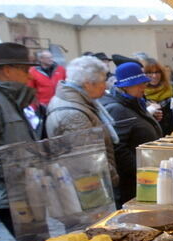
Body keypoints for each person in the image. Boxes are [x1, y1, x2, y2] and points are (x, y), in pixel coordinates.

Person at [0, 42, 38, 241]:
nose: (29, 76)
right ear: (7, 70)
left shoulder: (6, 96)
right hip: (5, 191)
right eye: (25, 70)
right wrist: (16, 174)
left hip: (18, 187)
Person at [45, 55, 120, 191]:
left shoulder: (80, 102)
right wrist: (113, 180)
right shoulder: (73, 114)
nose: (106, 85)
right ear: (88, 84)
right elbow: (88, 161)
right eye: (103, 81)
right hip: (87, 188)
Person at [100, 61, 162, 205]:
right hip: (133, 182)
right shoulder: (117, 108)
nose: (143, 87)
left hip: (145, 175)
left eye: (144, 83)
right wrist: (142, 171)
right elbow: (119, 148)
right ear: (125, 87)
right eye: (138, 84)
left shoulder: (135, 102)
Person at [142, 59, 173, 136]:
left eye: (157, 72)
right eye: (150, 72)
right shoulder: (141, 92)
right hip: (151, 134)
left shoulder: (171, 88)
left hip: (172, 133)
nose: (154, 75)